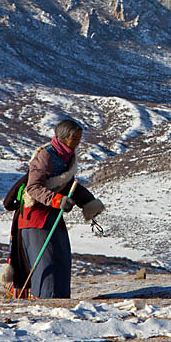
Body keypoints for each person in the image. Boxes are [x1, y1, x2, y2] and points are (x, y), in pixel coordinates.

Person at [16, 119, 104, 298]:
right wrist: (57, 200)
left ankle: (60, 300)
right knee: (46, 260)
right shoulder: (45, 156)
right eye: (74, 138)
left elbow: (68, 184)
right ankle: (45, 300)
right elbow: (32, 188)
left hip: (52, 215)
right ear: (63, 138)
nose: (78, 142)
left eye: (79, 138)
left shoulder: (67, 156)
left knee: (62, 257)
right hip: (36, 217)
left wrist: (88, 203)